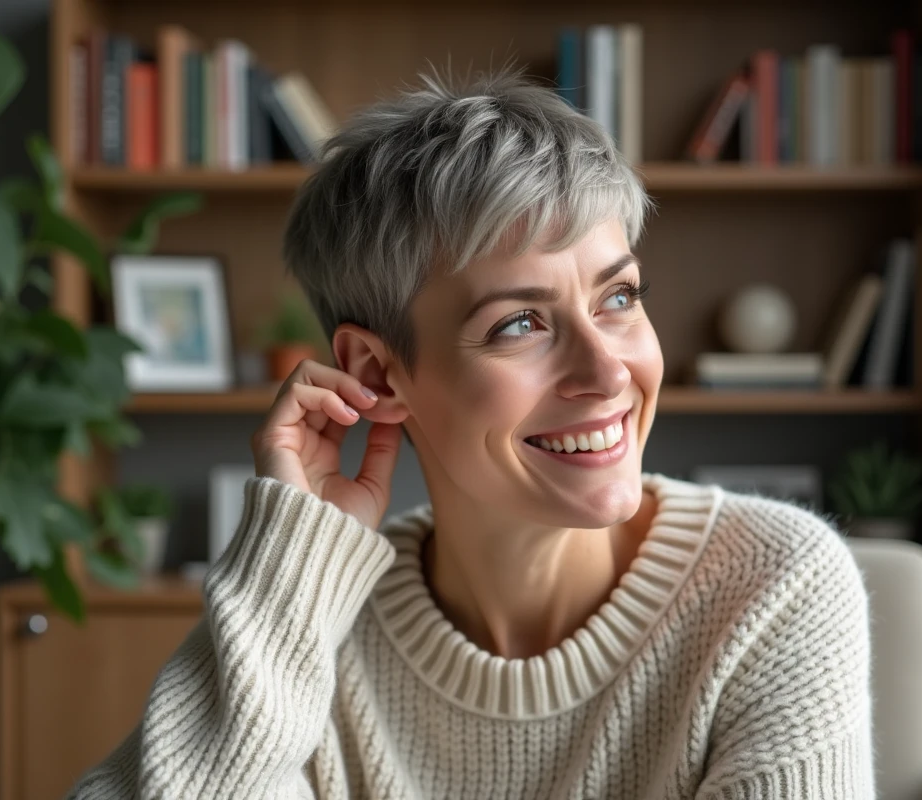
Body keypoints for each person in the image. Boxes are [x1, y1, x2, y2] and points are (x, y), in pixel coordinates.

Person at [66, 65, 875, 799]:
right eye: (521, 322)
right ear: (379, 375)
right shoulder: (308, 627)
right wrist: (286, 583)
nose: (606, 372)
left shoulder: (772, 587)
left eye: (619, 298)